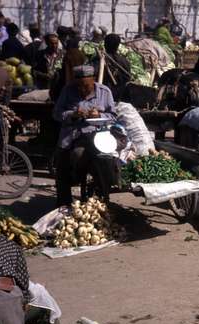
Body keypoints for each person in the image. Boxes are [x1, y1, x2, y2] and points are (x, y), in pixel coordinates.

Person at [53, 65, 116, 206]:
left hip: (96, 136)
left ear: (93, 80)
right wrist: (72, 114)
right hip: (71, 135)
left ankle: (103, 198)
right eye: (79, 86)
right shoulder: (68, 90)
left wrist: (99, 115)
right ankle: (63, 203)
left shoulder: (104, 92)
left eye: (86, 86)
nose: (82, 89)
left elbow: (113, 116)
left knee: (105, 163)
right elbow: (56, 113)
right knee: (62, 164)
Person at [102, 33, 131, 102]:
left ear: (105, 44)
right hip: (120, 96)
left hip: (104, 96)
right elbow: (128, 78)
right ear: (118, 46)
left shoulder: (99, 59)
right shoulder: (125, 61)